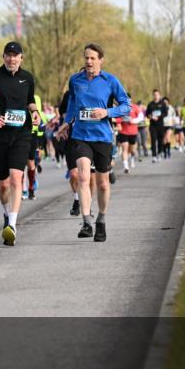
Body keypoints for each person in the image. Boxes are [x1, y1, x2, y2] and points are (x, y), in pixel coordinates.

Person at [56, 43, 131, 242]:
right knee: (82, 177)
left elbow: (126, 106)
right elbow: (72, 103)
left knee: (103, 184)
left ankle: (101, 220)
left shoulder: (110, 81)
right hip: (80, 135)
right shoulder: (75, 80)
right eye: (86, 58)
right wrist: (66, 122)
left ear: (100, 60)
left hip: (103, 137)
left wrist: (107, 112)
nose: (88, 61)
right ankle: (87, 221)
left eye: (92, 58)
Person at [0, 41, 39, 247]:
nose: (12, 59)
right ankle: (6, 213)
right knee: (3, 184)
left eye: (15, 55)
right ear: (3, 57)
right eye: (8, 55)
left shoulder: (27, 78)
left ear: (21, 58)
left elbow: (30, 100)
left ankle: (13, 225)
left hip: (22, 133)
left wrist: (34, 112)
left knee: (17, 178)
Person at [114, 100, 141, 172]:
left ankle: (132, 158)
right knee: (124, 148)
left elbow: (141, 117)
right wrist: (119, 120)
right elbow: (117, 119)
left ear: (131, 100)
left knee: (132, 150)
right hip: (123, 132)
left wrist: (133, 120)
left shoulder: (135, 107)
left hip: (133, 132)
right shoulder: (120, 108)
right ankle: (126, 167)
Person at [145, 90, 168, 163]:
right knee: (153, 140)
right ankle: (154, 156)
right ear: (153, 95)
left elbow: (165, 113)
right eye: (154, 95)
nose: (156, 96)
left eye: (157, 94)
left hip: (160, 124)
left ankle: (159, 153)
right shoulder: (150, 104)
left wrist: (159, 117)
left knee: (160, 140)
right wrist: (151, 117)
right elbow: (147, 114)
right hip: (152, 125)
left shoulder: (163, 103)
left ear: (159, 95)